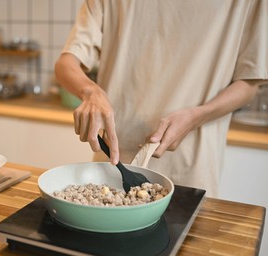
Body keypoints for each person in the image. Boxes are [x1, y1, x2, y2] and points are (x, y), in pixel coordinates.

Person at [54, 0, 268, 197]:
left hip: (190, 170)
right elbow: (66, 64)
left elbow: (249, 82)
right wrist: (91, 92)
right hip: (112, 167)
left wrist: (197, 116)